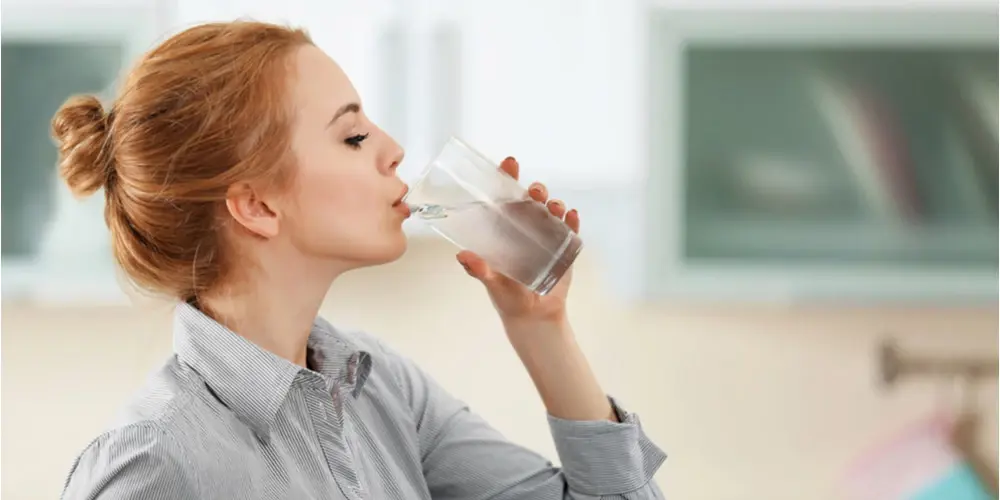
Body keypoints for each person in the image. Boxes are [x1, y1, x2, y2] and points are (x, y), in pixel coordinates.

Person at [53, 21, 666, 500]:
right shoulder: (149, 464)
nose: (395, 150)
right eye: (353, 137)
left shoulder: (379, 389)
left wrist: (541, 328)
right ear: (257, 205)